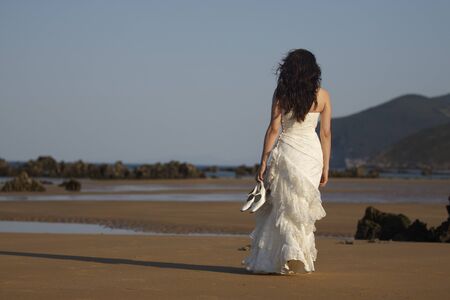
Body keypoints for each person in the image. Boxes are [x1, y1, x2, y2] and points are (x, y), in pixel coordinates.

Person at [241, 48, 331, 275]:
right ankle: (294, 256)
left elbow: (273, 129)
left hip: (289, 151)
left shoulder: (281, 94)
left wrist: (263, 160)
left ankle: (286, 257)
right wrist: (326, 165)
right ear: (313, 71)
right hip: (311, 155)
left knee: (284, 206)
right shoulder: (323, 96)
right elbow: (326, 133)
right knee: (299, 207)